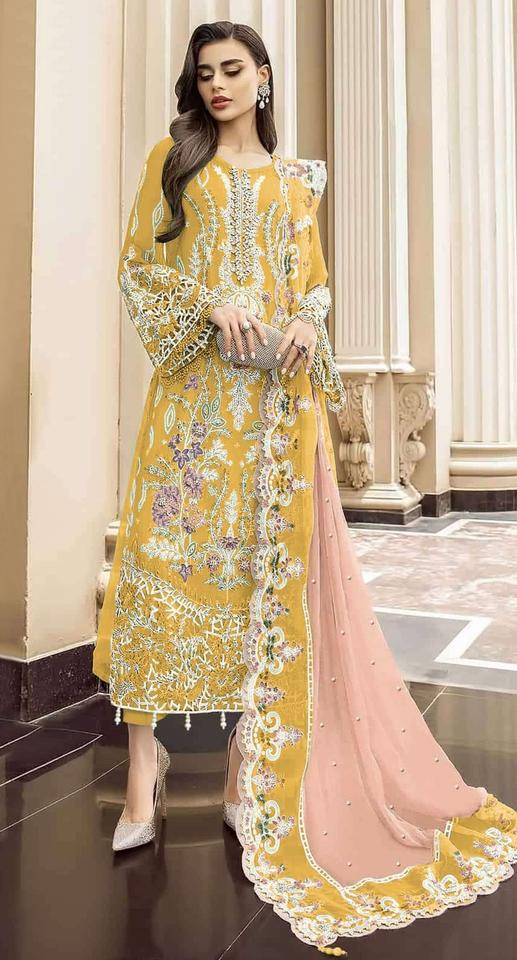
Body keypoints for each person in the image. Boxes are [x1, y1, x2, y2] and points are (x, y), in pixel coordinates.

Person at [92, 19, 517, 957]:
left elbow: (311, 287)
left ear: (263, 77)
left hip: (271, 418)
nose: (217, 85)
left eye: (232, 69)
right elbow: (139, 269)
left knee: (257, 588)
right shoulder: (174, 164)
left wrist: (304, 326)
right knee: (159, 574)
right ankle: (142, 776)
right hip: (190, 409)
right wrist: (209, 302)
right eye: (204, 73)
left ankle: (243, 778)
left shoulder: (296, 182)